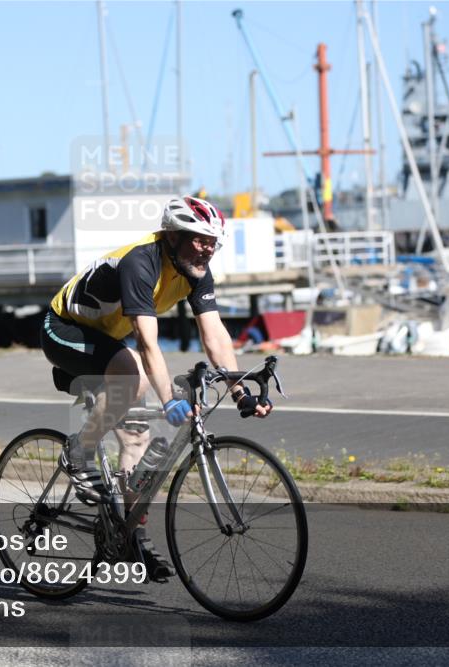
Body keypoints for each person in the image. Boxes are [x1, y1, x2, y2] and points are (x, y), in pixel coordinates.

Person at [40, 196, 272, 580]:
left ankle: (130, 536)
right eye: (200, 240)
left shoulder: (195, 269)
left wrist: (240, 392)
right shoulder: (140, 262)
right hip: (64, 328)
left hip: (106, 338)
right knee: (134, 376)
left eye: (213, 242)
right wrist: (168, 400)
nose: (208, 249)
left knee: (138, 440)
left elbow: (215, 335)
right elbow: (147, 343)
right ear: (172, 236)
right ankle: (78, 451)